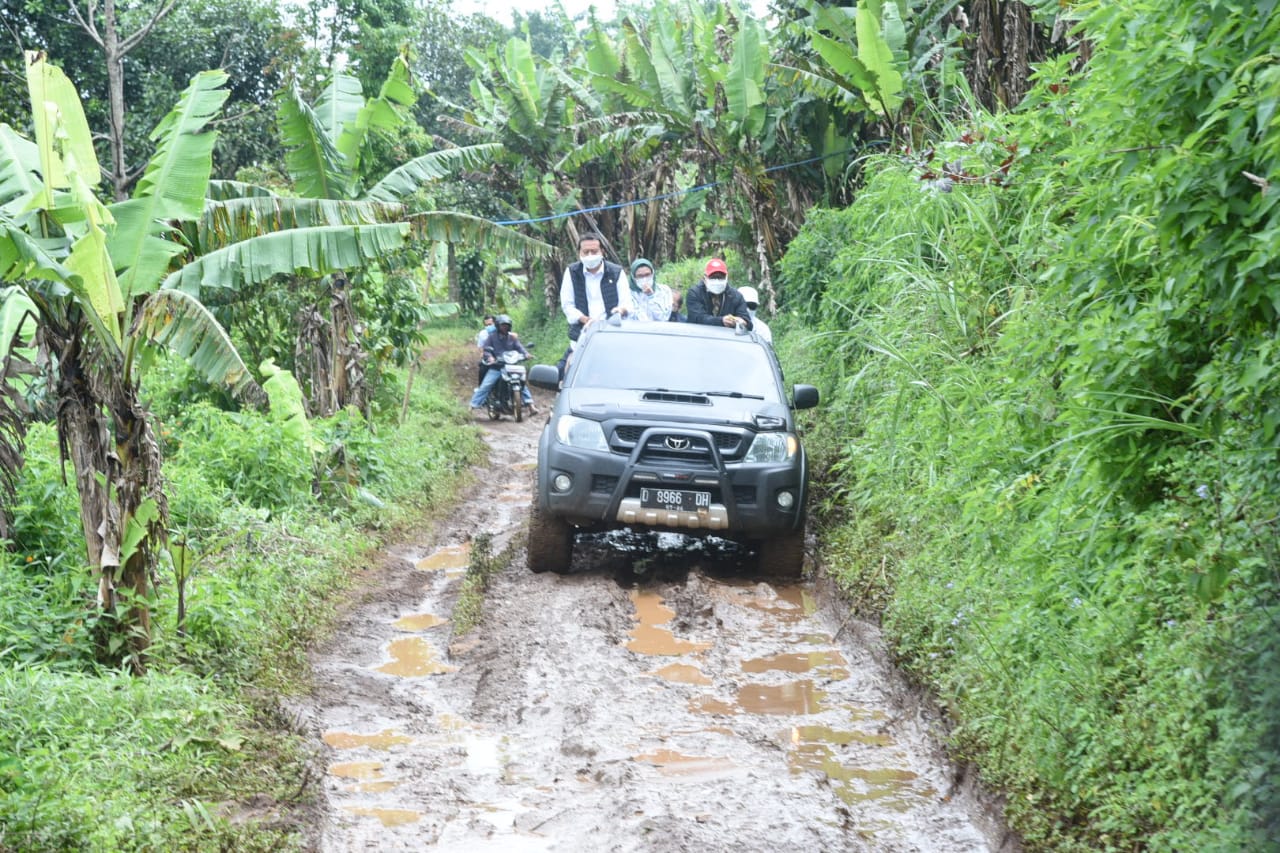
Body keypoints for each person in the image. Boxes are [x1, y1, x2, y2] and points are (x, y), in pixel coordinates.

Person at [557, 233, 633, 379]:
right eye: (586, 252)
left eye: (594, 251)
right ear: (579, 253)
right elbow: (567, 305)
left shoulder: (616, 272)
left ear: (602, 252)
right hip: (581, 336)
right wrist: (584, 319)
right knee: (563, 374)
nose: (590, 255)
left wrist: (620, 310)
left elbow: (627, 303)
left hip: (611, 335)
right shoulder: (572, 272)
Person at [469, 314, 537, 413]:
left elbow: (520, 347)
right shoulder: (492, 337)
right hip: (497, 367)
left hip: (511, 366)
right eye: (502, 325)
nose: (505, 327)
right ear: (498, 326)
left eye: (507, 325)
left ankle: (531, 406)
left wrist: (526, 354)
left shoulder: (512, 338)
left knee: (521, 382)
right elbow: (486, 350)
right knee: (486, 385)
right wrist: (490, 357)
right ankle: (472, 406)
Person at [685, 258, 752, 331]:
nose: (717, 280)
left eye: (720, 277)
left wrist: (741, 322)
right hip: (699, 336)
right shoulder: (695, 293)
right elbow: (697, 318)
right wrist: (721, 321)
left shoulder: (736, 296)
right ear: (705, 278)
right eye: (713, 277)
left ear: (726, 277)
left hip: (726, 338)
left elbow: (748, 323)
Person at [627, 258, 673, 322]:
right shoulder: (627, 293)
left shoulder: (664, 291)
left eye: (647, 274)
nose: (644, 279)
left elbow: (663, 318)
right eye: (640, 276)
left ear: (653, 274)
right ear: (633, 277)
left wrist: (651, 296)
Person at [474, 314, 495, 385]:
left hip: (502, 356)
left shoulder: (501, 331)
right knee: (482, 369)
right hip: (488, 355)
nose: (488, 327)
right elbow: (481, 346)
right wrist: (482, 353)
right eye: (486, 325)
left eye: (490, 324)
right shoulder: (483, 334)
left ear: (495, 323)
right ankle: (481, 388)